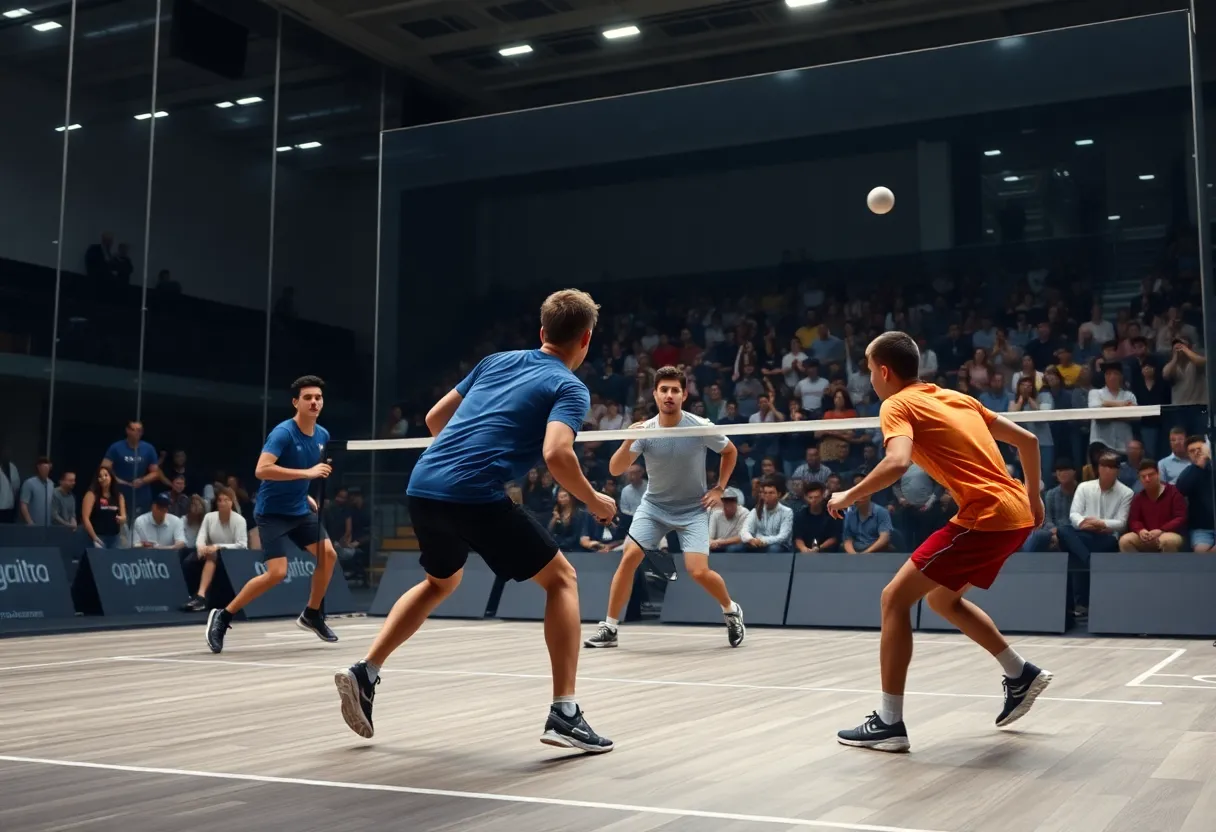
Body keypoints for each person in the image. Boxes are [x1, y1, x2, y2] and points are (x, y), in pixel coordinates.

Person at [334, 289, 616, 753]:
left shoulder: (496, 361)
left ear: (542, 332)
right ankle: (565, 713)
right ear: (585, 339)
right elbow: (556, 453)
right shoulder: (569, 387)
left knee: (440, 582)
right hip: (472, 494)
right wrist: (594, 500)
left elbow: (433, 418)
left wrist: (464, 456)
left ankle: (366, 671)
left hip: (424, 484)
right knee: (562, 579)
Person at [827, 331, 1049, 753]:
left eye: (870, 371)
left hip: (985, 516)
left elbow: (896, 462)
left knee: (894, 599)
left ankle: (889, 724)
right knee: (942, 600)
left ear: (885, 372)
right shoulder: (956, 397)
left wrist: (848, 495)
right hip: (1017, 513)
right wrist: (1034, 497)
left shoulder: (895, 404)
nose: (870, 379)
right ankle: (1019, 674)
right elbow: (1029, 441)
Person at [583, 365, 744, 650]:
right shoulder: (645, 431)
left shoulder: (700, 425)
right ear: (655, 394)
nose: (669, 395)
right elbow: (615, 468)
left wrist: (719, 488)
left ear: (684, 395)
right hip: (654, 507)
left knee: (698, 571)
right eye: (664, 390)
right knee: (629, 558)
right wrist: (629, 439)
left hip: (692, 509)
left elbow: (730, 451)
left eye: (675, 390)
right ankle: (610, 628)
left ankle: (731, 610)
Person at [206, 375, 339, 652]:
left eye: (318, 397)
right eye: (308, 398)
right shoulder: (283, 433)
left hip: (300, 510)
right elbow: (262, 469)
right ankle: (223, 615)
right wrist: (307, 474)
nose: (314, 402)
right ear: (296, 402)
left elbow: (307, 468)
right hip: (272, 513)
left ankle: (312, 614)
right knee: (277, 573)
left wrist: (305, 493)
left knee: (328, 555)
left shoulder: (323, 436)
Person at [183, 486, 249, 612]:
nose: (222, 503)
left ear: (232, 502)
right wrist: (201, 547)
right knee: (188, 561)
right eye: (220, 500)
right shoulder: (209, 517)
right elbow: (201, 536)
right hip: (211, 551)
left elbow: (242, 545)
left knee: (212, 556)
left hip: (232, 556)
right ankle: (192, 595)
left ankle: (201, 597)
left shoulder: (239, 520)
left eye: (226, 500)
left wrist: (218, 547)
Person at [1118, 462, 1186, 552]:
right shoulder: (1138, 497)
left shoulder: (1173, 492)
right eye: (1143, 476)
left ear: (1158, 474)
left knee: (1167, 540)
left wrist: (1162, 530)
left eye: (1151, 475)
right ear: (1140, 479)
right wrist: (1140, 530)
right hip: (1147, 536)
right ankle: (1136, 566)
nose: (1147, 479)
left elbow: (1180, 517)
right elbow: (1134, 520)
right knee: (1125, 540)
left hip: (1169, 533)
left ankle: (1169, 566)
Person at [82, 465, 125, 548]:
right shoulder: (91, 494)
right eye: (100, 476)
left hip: (114, 537)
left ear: (111, 477)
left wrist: (122, 519)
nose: (103, 478)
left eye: (106, 475)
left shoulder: (118, 496)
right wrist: (94, 537)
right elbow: (85, 518)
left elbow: (124, 516)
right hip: (98, 536)